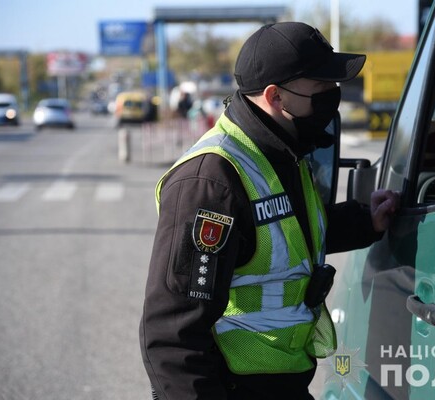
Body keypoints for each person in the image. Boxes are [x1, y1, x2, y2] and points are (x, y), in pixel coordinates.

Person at [139, 21, 400, 400]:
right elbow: (172, 334)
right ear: (276, 96)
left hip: (284, 383)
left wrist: (364, 221)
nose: (333, 96)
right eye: (321, 87)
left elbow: (286, 238)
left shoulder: (284, 151)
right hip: (234, 388)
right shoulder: (211, 181)